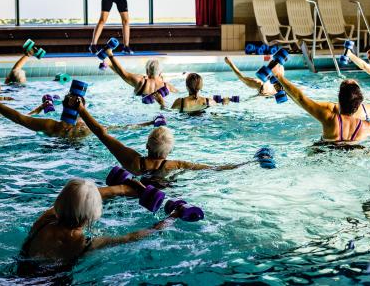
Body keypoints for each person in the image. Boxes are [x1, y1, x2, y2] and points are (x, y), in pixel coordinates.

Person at [16, 178, 178, 276]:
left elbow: (75, 198)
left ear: (60, 200)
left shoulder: (44, 221)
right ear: (92, 213)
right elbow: (131, 237)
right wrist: (171, 218)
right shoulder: (84, 244)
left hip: (15, 276)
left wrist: (121, 189)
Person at [76, 100, 246, 175]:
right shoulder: (175, 165)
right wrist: (244, 164)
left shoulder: (133, 162)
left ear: (147, 145)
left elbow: (101, 133)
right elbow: (213, 168)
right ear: (169, 151)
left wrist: (81, 109)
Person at [272, 66, 370, 144]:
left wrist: (279, 76)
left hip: (325, 152)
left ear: (339, 99)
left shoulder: (329, 118)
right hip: (354, 154)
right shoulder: (367, 126)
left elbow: (301, 99)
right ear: (359, 103)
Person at [0, 95, 160, 139]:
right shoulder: (87, 129)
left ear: (63, 107)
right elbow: (123, 129)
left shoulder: (50, 125)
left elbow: (19, 118)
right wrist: (149, 123)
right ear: (83, 109)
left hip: (52, 149)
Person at [104, 47, 177, 97]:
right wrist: (110, 64)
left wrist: (110, 54)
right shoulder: (168, 86)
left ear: (147, 71)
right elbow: (179, 93)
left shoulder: (140, 81)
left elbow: (122, 73)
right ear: (160, 73)